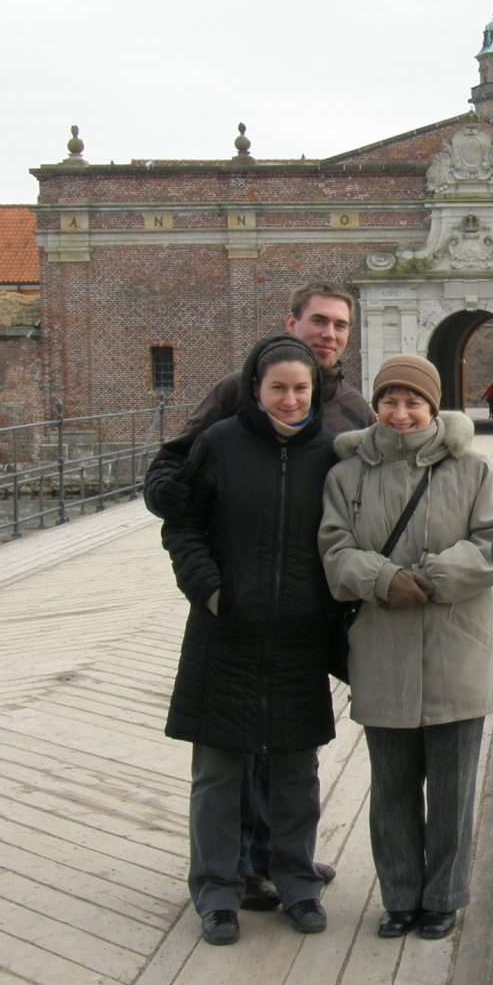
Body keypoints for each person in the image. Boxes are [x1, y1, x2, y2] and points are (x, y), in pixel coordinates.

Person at [144, 284, 373, 911]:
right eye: (318, 322)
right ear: (291, 323)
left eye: (340, 326)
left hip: (303, 611)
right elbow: (176, 468)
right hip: (237, 605)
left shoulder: (350, 409)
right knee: (231, 754)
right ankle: (236, 868)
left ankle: (280, 860)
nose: (329, 334)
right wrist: (207, 578)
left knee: (291, 749)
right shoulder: (232, 396)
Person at [318, 354, 493, 941]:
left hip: (457, 647)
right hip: (383, 650)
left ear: (434, 408)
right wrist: (382, 580)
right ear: (375, 405)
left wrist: (428, 578)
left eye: (413, 402)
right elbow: (333, 550)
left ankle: (444, 898)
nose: (400, 414)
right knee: (393, 787)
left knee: (453, 789)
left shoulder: (472, 471)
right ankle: (400, 896)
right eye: (389, 401)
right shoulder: (345, 477)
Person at [159, 336, 338, 946]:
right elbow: (181, 520)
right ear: (255, 390)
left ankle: (296, 880)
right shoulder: (221, 443)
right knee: (217, 768)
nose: (290, 400)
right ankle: (216, 889)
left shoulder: (330, 455)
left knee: (296, 766)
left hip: (297, 635)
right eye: (277, 388)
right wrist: (209, 588)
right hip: (225, 629)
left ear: (314, 391)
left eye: (300, 389)